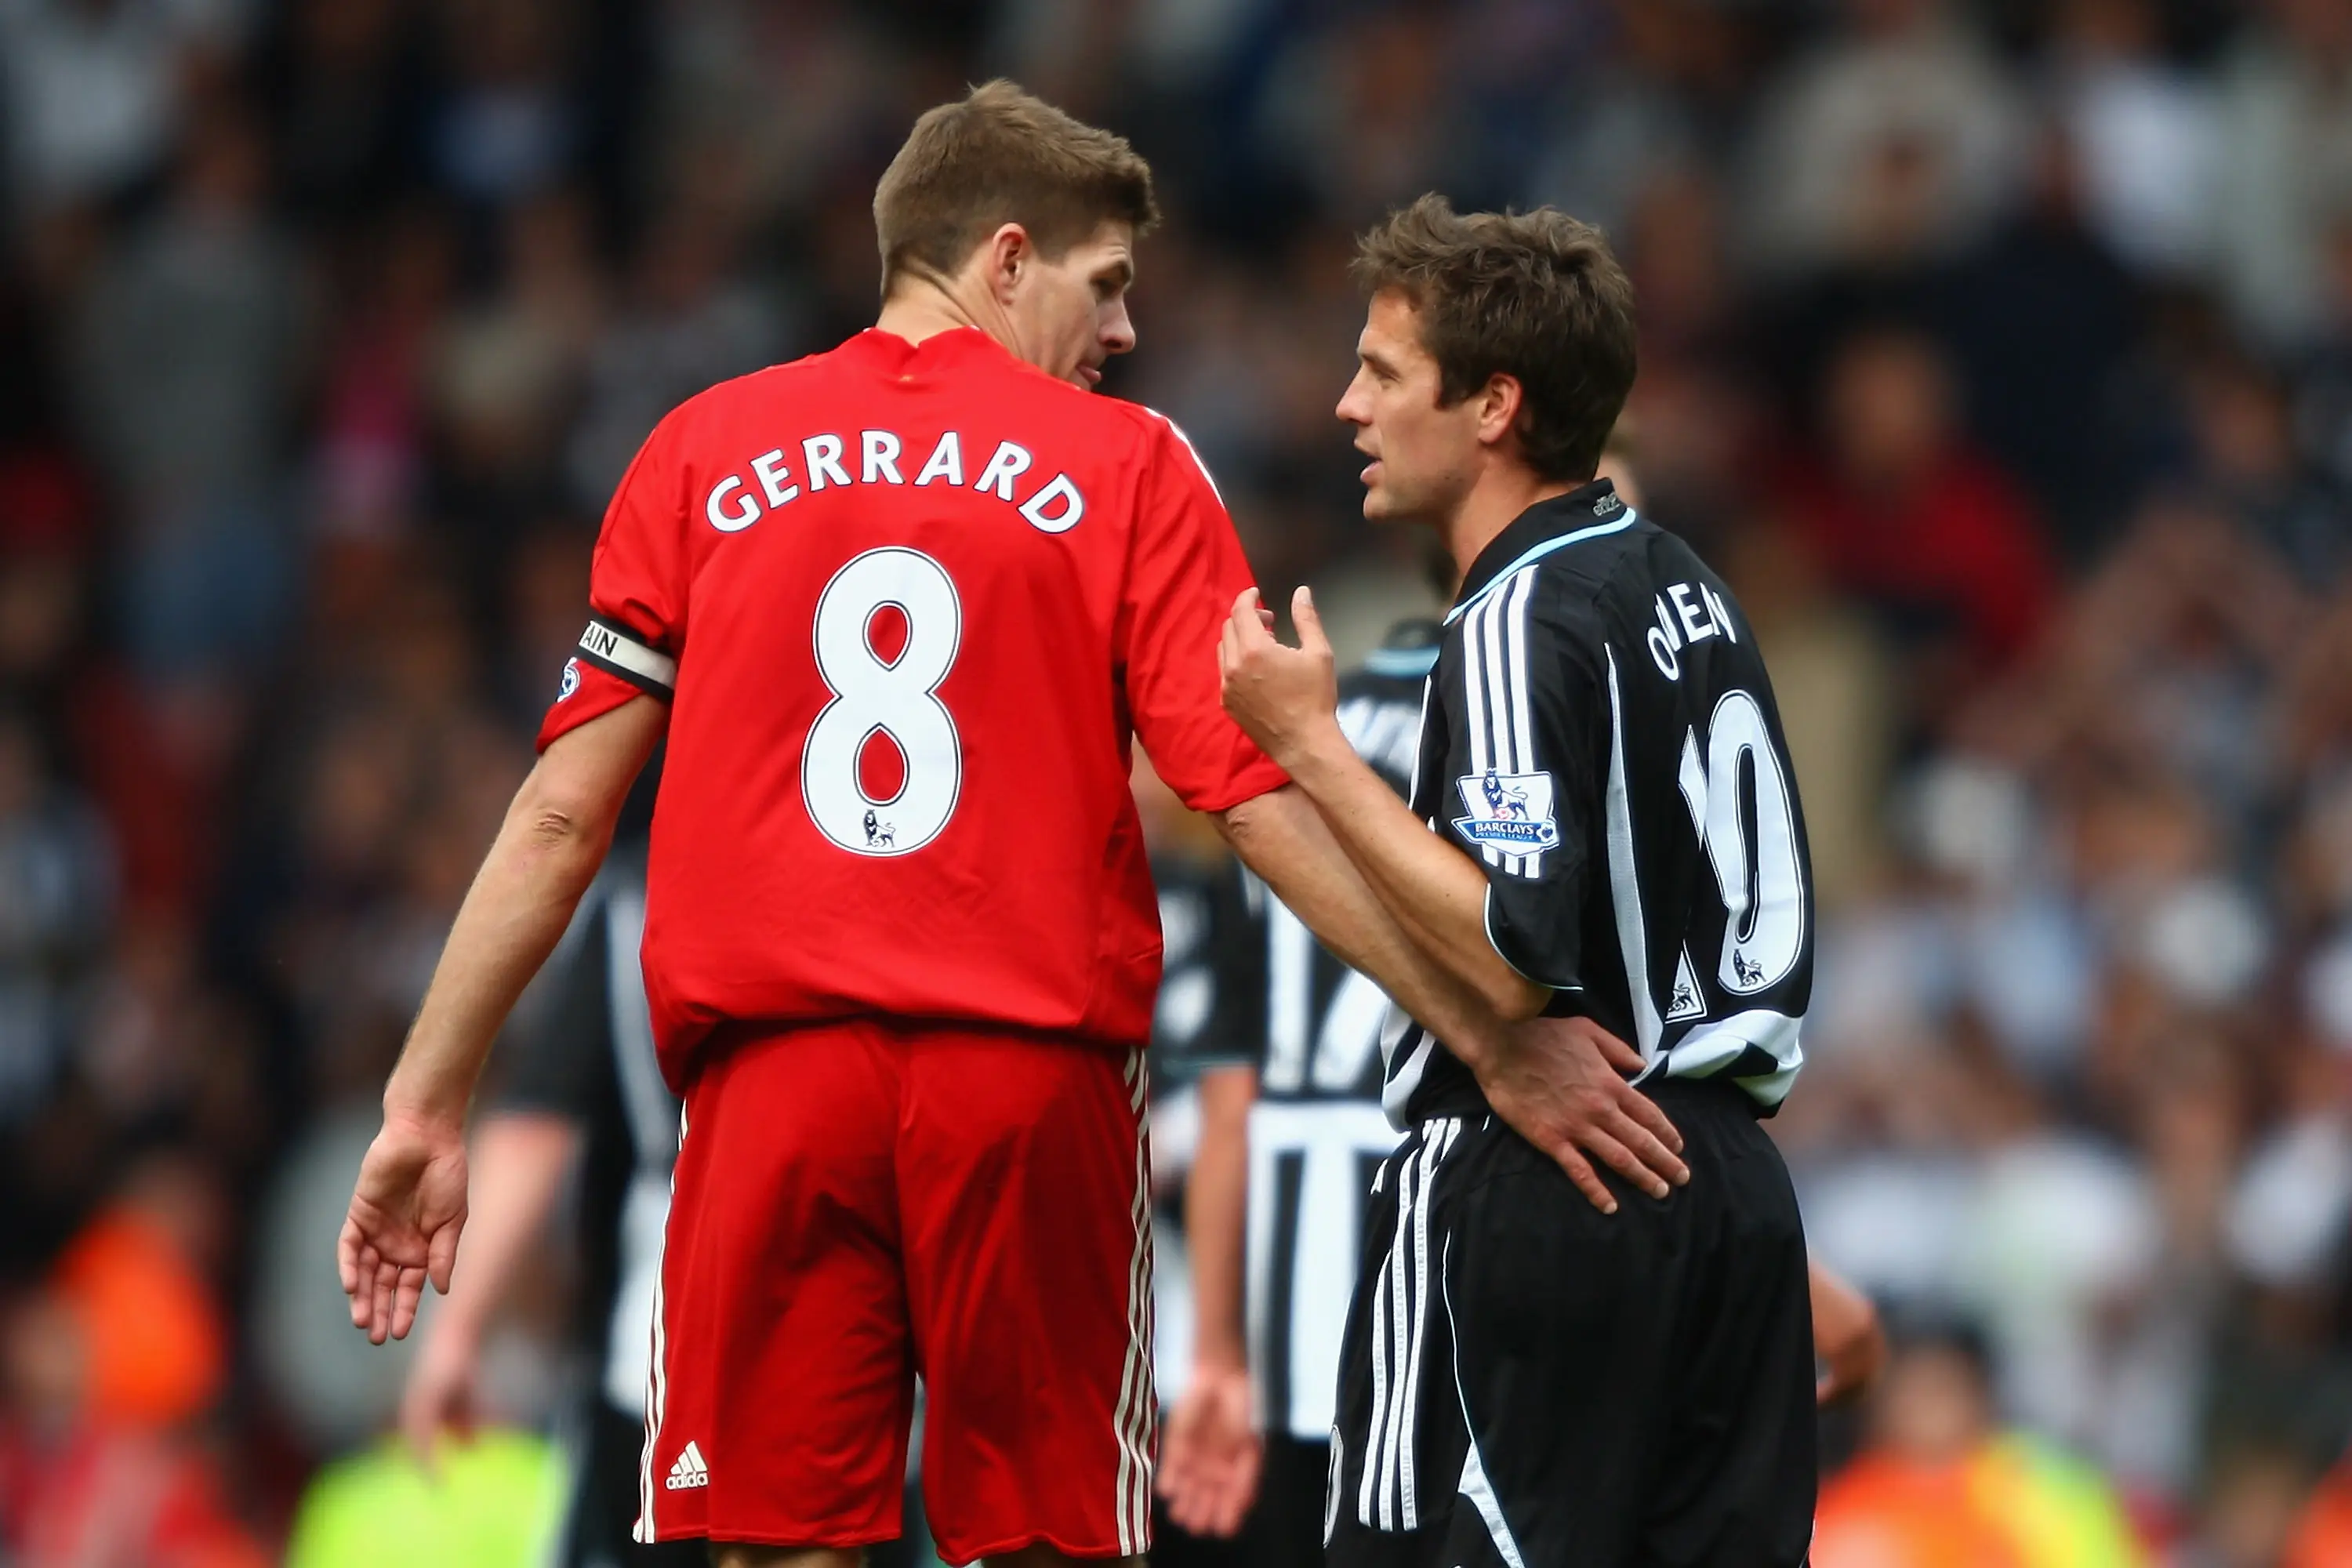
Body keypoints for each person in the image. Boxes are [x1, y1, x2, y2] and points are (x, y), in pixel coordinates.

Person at [333, 87, 1684, 1568]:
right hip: (1028, 1092)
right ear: (1006, 258)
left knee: (776, 1545)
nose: (1120, 335)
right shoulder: (1131, 467)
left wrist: (423, 1103)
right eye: (1104, 288)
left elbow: (554, 821)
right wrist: (1488, 1034)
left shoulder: (704, 451)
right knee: (1044, 1546)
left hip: (773, 1093)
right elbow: (1255, 802)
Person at [1220, 195, 1820, 1565]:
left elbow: (1510, 948)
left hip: (1555, 1175)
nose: (1345, 408)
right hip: (1729, 1186)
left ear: (1492, 405)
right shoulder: (1688, 587)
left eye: (1379, 372)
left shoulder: (1509, 618)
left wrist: (1310, 741)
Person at [394, 829, 705, 1568]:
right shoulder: (877, 873)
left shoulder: (642, 901)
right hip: (868, 1357)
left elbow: (536, 1128)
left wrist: (453, 1335)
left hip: (666, 1352)